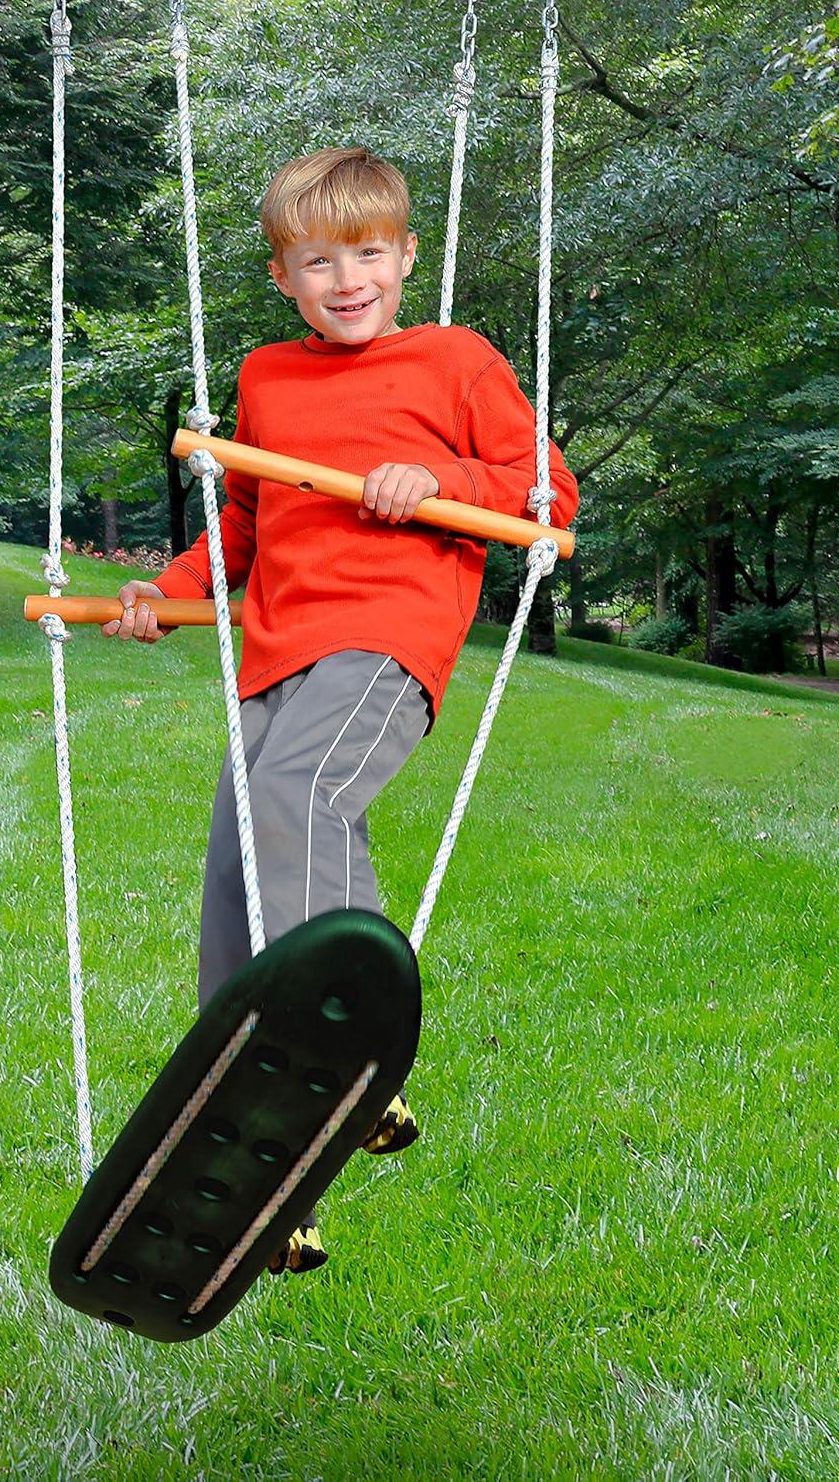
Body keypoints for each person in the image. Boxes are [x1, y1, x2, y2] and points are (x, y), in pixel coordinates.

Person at [104, 145, 578, 1273]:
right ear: (283, 275)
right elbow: (246, 532)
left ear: (407, 255)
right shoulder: (268, 378)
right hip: (276, 653)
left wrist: (439, 488)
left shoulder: (455, 360)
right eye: (319, 260)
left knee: (299, 794)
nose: (347, 278)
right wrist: (161, 595)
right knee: (236, 864)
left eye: (368, 253)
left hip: (386, 640)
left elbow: (542, 493)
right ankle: (252, 1130)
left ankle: (356, 1056)